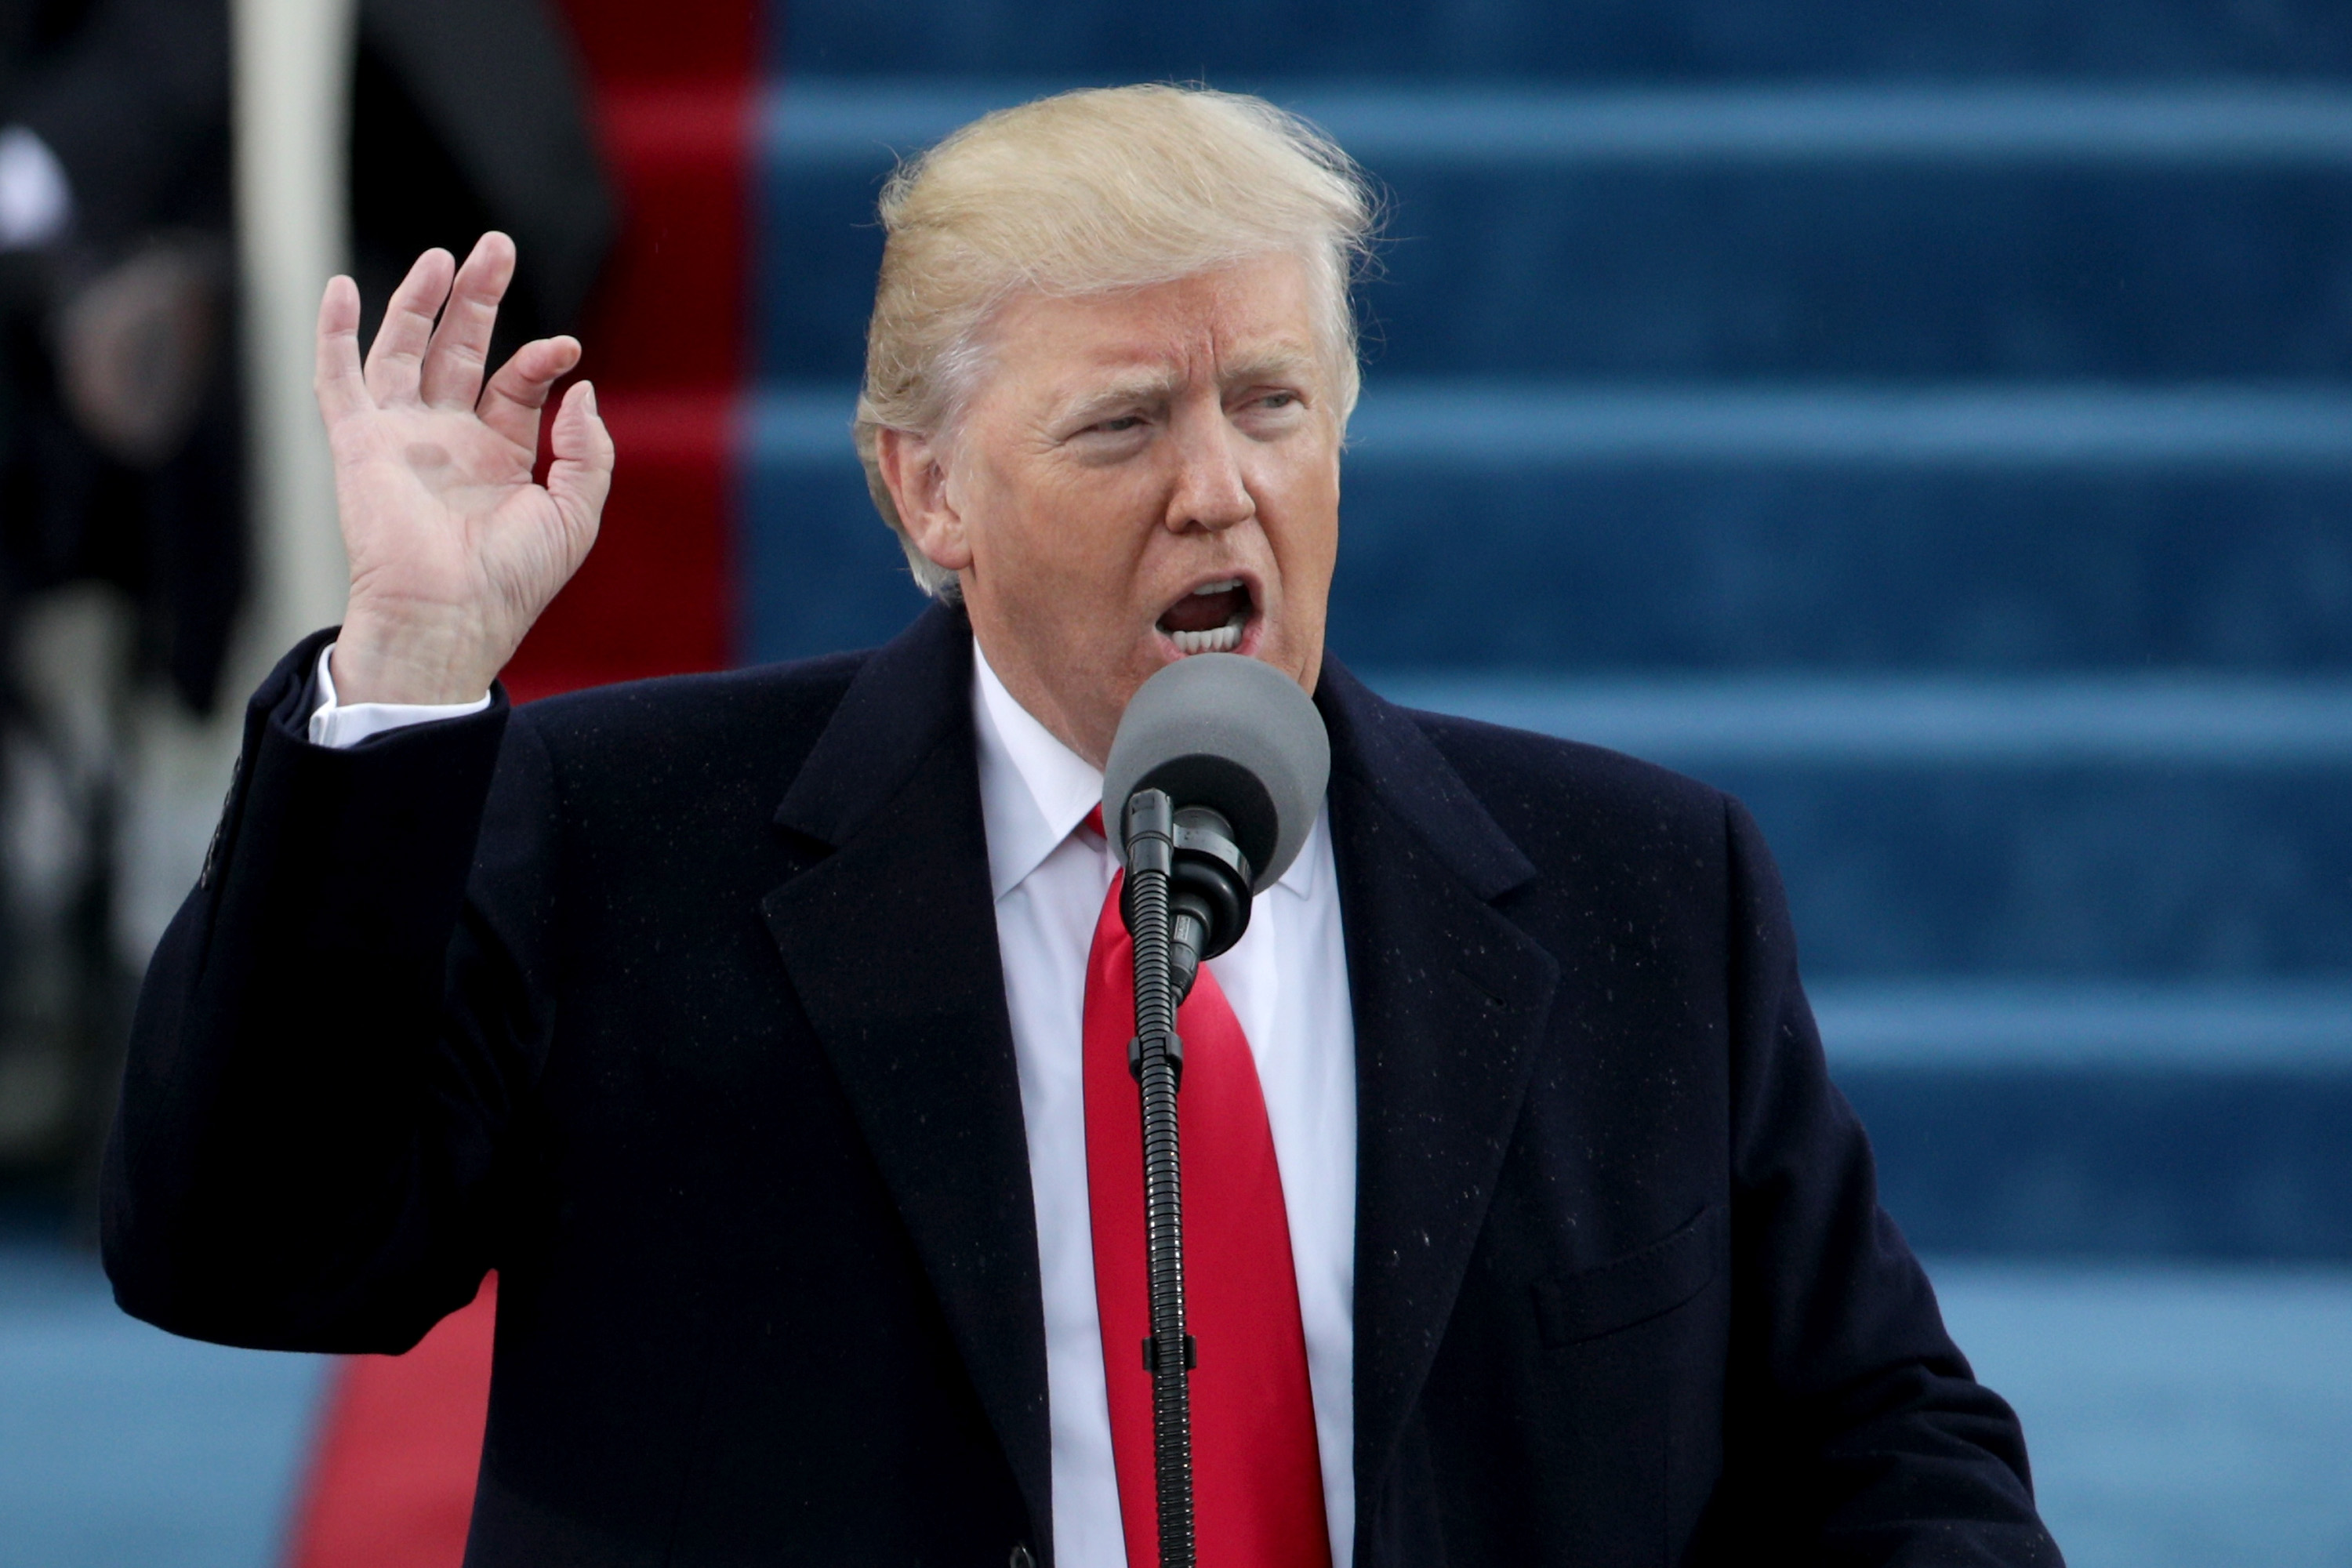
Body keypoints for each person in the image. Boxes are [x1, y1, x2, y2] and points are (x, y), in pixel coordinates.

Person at [103, 86, 2062, 1566]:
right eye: (1125, 424)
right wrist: (415, 669)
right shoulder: (625, 840)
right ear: (927, 490)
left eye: (1275, 404)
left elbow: (1884, 1439)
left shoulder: (1649, 887)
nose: (1221, 490)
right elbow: (248, 1254)